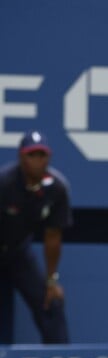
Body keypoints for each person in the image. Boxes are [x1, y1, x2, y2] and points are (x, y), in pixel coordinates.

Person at [0, 131, 72, 344]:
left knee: (51, 302)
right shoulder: (4, 184)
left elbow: (53, 236)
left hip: (18, 252)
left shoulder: (57, 189)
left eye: (42, 155)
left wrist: (52, 281)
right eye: (32, 155)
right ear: (22, 157)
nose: (38, 161)